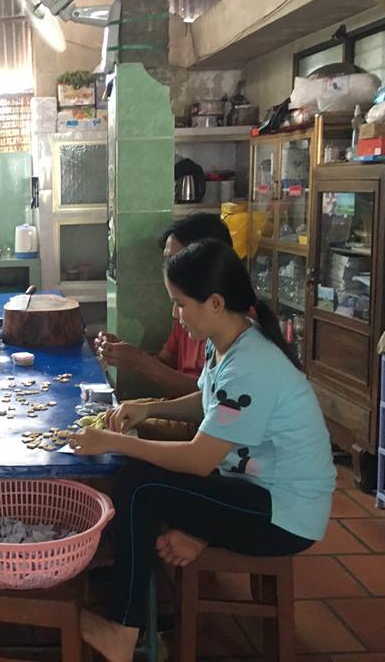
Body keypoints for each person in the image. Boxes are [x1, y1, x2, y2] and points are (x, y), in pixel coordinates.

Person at [71, 240, 336, 662]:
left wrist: (114, 441)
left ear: (214, 302)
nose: (176, 314)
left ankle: (122, 631)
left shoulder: (252, 364)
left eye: (180, 304)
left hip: (283, 514)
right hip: (248, 486)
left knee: (137, 486)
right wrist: (147, 409)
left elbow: (198, 458)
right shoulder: (229, 340)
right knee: (144, 463)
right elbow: (207, 402)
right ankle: (191, 538)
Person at [94, 213, 233, 441]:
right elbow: (202, 391)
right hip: (190, 412)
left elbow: (208, 406)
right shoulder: (190, 311)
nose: (174, 314)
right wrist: (125, 354)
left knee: (111, 430)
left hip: (201, 428)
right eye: (167, 260)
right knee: (105, 415)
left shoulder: (230, 330)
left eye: (176, 260)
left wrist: (141, 362)